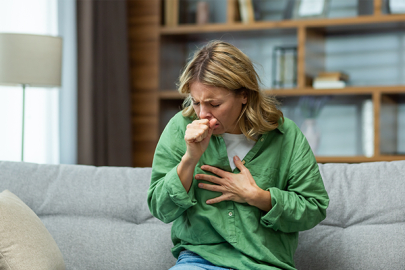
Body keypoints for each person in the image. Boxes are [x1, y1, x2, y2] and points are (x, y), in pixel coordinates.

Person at [147, 40, 329, 270]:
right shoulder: (179, 128)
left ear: (244, 95)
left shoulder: (285, 135)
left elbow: (314, 207)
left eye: (214, 104)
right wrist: (190, 158)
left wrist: (258, 197)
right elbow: (160, 208)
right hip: (199, 261)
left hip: (264, 263)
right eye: (196, 102)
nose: (203, 114)